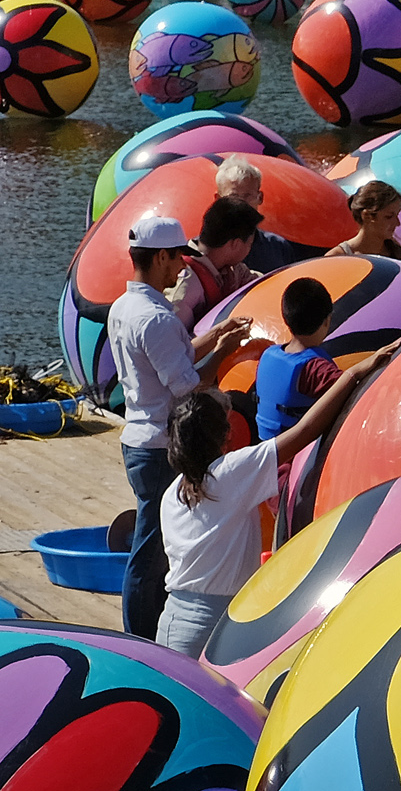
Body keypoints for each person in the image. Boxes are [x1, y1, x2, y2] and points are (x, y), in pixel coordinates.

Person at [155, 355, 383, 655]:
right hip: (217, 623)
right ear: (226, 435)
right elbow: (304, 432)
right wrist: (353, 374)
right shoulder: (231, 472)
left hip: (176, 620)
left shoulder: (173, 493)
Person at [110, 214, 257, 638]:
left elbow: (170, 358)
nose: (183, 267)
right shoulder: (155, 317)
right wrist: (226, 351)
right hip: (158, 445)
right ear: (160, 257)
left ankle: (144, 632)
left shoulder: (128, 307)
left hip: (139, 436)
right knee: (151, 552)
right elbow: (185, 387)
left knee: (152, 545)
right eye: (177, 258)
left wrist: (214, 337)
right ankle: (140, 638)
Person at [252, 276, 344, 438]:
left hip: (264, 447)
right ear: (326, 321)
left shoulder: (268, 354)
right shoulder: (315, 370)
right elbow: (358, 391)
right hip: (294, 457)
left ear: (286, 319)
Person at [211, 155, 302, 274]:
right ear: (218, 200)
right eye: (233, 197)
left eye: (248, 196)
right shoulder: (204, 253)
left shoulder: (278, 247)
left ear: (260, 198)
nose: (241, 204)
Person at [180, 199, 265, 325]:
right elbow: (169, 339)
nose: (249, 249)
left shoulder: (233, 270)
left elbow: (260, 282)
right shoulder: (185, 282)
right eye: (249, 243)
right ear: (235, 244)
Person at [329, 179, 401, 261]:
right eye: (389, 216)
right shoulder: (337, 258)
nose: (397, 223)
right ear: (367, 216)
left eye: (397, 215)